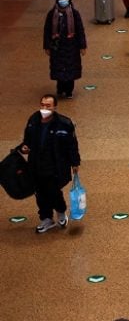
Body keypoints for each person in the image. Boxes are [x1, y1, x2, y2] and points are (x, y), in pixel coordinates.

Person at [16, 94, 80, 233]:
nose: (44, 108)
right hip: (36, 165)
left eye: (48, 106)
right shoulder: (33, 120)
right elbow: (27, 140)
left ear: (55, 107)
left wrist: (75, 163)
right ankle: (46, 219)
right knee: (40, 193)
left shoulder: (64, 123)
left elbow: (72, 145)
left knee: (53, 192)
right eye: (42, 105)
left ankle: (61, 212)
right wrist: (24, 147)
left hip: (55, 165)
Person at [44, 0, 87, 98]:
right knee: (58, 68)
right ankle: (60, 88)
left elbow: (80, 30)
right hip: (57, 47)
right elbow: (47, 30)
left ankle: (69, 91)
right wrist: (47, 46)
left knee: (70, 69)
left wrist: (82, 46)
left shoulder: (74, 14)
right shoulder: (52, 14)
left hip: (71, 47)